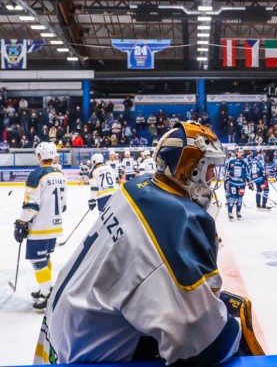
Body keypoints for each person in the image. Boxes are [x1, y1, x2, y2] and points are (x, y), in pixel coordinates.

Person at [34, 121, 264, 364]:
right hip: (88, 356)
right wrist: (233, 326)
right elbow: (201, 344)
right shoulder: (175, 220)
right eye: (209, 168)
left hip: (61, 330)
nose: (213, 177)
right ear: (190, 168)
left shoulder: (134, 187)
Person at [13, 142, 67, 310]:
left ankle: (48, 294)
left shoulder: (37, 175)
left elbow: (31, 206)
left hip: (40, 226)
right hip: (55, 225)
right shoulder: (60, 173)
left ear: (39, 156)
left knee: (38, 261)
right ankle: (45, 287)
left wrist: (21, 223)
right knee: (45, 258)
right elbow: (63, 204)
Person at [224, 147, 250, 220]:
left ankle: (238, 212)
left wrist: (249, 181)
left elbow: (248, 172)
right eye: (239, 152)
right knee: (232, 198)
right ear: (236, 153)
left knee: (240, 199)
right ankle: (230, 212)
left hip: (241, 184)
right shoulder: (230, 161)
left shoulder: (245, 162)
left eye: (242, 152)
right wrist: (228, 174)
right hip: (232, 183)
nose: (240, 153)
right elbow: (225, 171)